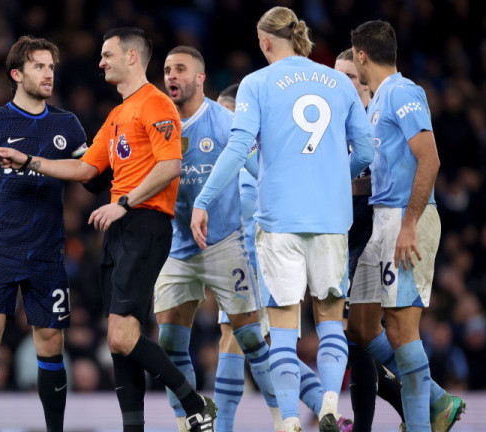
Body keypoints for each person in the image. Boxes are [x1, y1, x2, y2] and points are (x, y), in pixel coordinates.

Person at [0, 27, 216, 432]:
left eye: (107, 54)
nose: (100, 62)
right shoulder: (116, 116)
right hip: (118, 228)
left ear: (132, 57)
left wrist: (123, 203)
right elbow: (84, 168)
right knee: (119, 341)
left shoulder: (157, 104)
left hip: (145, 223)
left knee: (122, 336)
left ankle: (194, 401)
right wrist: (28, 161)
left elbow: (170, 166)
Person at [190, 7, 373, 432]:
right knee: (330, 318)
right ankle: (329, 403)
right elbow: (365, 153)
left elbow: (238, 149)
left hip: (279, 222)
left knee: (285, 327)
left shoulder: (256, 83)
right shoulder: (337, 82)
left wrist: (203, 199)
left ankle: (290, 420)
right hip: (329, 220)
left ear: (265, 40)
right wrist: (332, 179)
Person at [0, 36, 88, 432]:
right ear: (17, 74)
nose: (48, 74)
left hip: (47, 251)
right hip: (2, 248)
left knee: (51, 343)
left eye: (51, 67)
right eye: (39, 66)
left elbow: (91, 180)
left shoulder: (67, 124)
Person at [348, 21, 465, 432]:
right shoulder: (379, 100)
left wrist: (410, 223)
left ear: (362, 55)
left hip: (403, 220)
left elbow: (429, 158)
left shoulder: (402, 92)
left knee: (400, 327)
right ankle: (435, 399)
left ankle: (424, 419)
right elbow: (385, 172)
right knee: (360, 325)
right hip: (383, 219)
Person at [153, 46, 269, 432]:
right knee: (169, 342)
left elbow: (263, 172)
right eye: (167, 69)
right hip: (178, 247)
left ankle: (285, 418)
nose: (172, 75)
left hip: (224, 242)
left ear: (200, 78)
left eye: (181, 69)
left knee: (251, 338)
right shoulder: (158, 124)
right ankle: (189, 422)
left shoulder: (223, 122)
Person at [215, 84, 334, 432]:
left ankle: (227, 427)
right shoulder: (241, 159)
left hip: (258, 265)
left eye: (226, 115)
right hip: (251, 264)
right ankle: (322, 413)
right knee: (265, 348)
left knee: (234, 339)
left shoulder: (257, 157)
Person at [334, 48, 405, 432]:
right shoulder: (333, 125)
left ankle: (421, 399)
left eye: (346, 76)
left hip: (371, 239)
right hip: (338, 243)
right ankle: (419, 404)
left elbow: (387, 181)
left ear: (362, 81)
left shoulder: (376, 123)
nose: (338, 82)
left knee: (357, 337)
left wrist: (340, 185)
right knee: (353, 341)